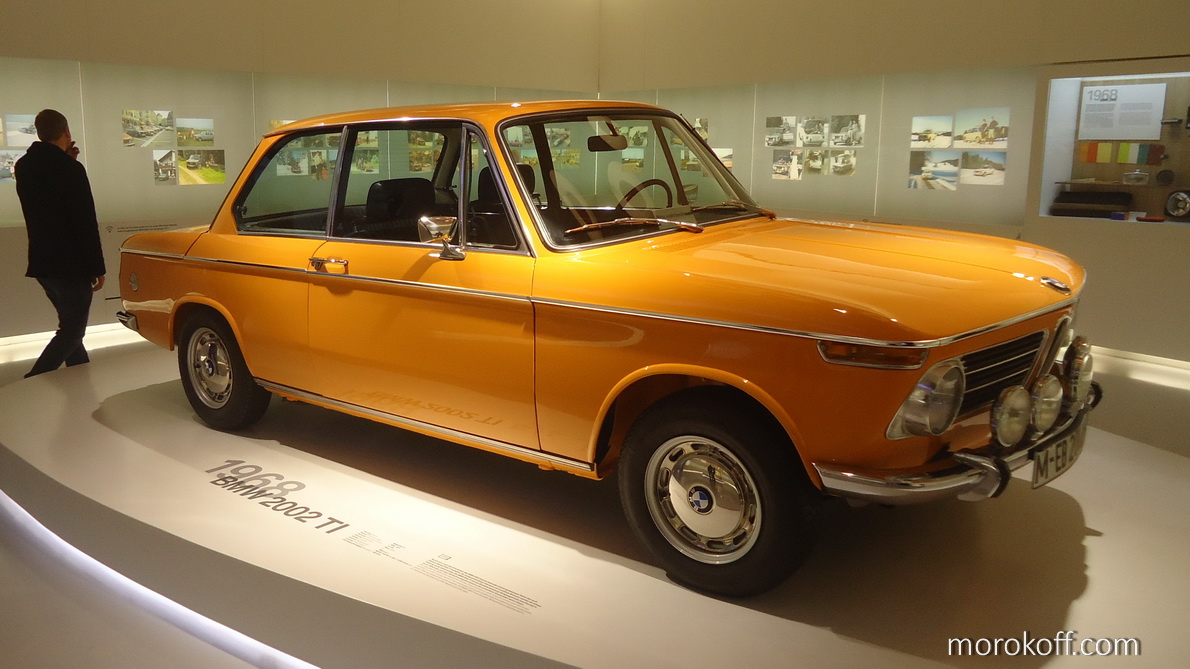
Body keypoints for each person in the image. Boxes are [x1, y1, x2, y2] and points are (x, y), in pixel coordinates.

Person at [15, 109, 105, 378]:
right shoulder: (71, 169)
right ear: (66, 131)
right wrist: (97, 267)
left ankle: (80, 378)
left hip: (42, 262)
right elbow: (84, 221)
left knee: (70, 325)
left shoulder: (24, 165)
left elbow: (47, 199)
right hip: (71, 265)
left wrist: (66, 159)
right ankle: (32, 381)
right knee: (72, 331)